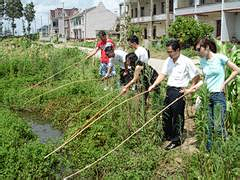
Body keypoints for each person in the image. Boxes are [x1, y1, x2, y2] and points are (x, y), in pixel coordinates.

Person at [148, 39, 200, 150]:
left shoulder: (186, 61)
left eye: (171, 52)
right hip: (169, 89)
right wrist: (154, 84)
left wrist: (190, 89)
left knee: (177, 116)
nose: (169, 54)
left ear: (178, 50)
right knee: (166, 114)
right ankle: (168, 135)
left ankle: (177, 140)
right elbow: (163, 74)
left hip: (179, 91)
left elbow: (196, 76)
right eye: (168, 52)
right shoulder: (168, 60)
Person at [191, 38, 240, 151]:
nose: (198, 52)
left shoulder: (220, 58)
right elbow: (205, 80)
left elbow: (237, 70)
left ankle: (221, 151)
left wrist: (224, 83)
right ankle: (209, 152)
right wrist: (193, 88)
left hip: (218, 95)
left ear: (207, 47)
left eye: (199, 49)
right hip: (207, 96)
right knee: (208, 125)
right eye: (196, 50)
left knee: (218, 126)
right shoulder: (203, 61)